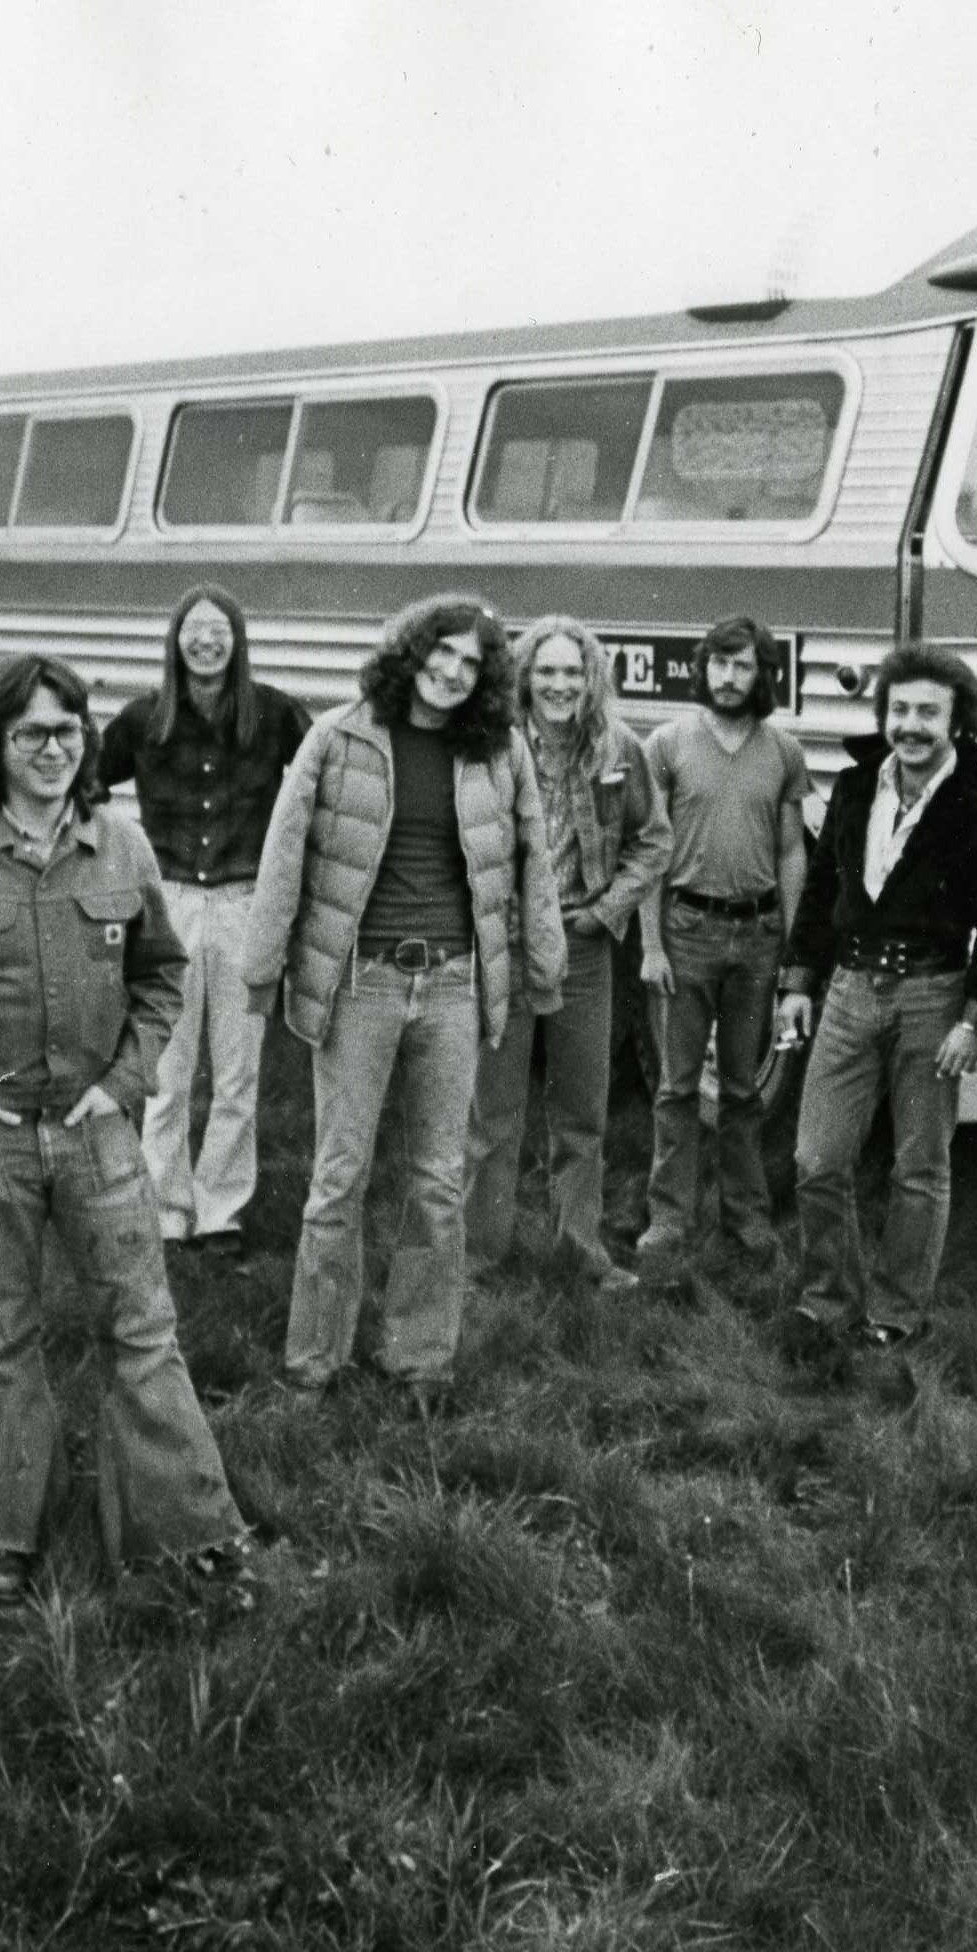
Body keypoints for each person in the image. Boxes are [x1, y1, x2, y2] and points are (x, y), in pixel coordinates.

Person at [0, 653, 246, 1606]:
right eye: (33, 732)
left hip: (97, 1134)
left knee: (142, 1329)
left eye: (70, 730)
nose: (55, 748)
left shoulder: (122, 848)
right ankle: (10, 1530)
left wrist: (128, 1079)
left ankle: (187, 1532)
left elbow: (160, 974)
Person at [243, 595, 564, 1403]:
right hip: (363, 983)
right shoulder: (338, 736)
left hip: (453, 985)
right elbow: (284, 855)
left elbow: (532, 861)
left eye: (472, 664)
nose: (453, 674)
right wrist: (260, 966)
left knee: (437, 1178)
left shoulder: (500, 751)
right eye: (441, 655)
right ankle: (313, 1361)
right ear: (410, 653)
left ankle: (418, 1356)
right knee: (338, 1175)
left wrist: (544, 961)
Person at [774, 641, 977, 1354]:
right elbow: (820, 890)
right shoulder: (853, 786)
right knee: (816, 1157)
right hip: (847, 989)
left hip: (931, 994)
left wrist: (974, 1017)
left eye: (927, 712)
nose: (910, 725)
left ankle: (895, 1312)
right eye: (900, 709)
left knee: (920, 1165)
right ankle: (826, 1297)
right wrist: (796, 983)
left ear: (956, 721)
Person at [95, 586, 310, 1260]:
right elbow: (84, 785)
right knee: (166, 1066)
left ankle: (220, 1210)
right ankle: (165, 1204)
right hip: (169, 906)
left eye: (220, 630)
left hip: (246, 904)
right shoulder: (142, 719)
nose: (207, 641)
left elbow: (318, 786)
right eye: (194, 629)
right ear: (175, 640)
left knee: (238, 1072)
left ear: (238, 640)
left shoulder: (274, 715)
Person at [461, 617, 672, 1288]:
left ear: (591, 680)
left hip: (581, 954)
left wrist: (607, 910)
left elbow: (654, 839)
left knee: (581, 1113)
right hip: (506, 949)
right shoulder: (492, 747)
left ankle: (580, 1252)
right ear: (525, 677)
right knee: (492, 1115)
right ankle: (477, 1254)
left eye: (572, 673)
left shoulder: (617, 748)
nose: (559, 685)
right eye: (546, 672)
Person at [634, 615, 812, 1278]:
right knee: (677, 1086)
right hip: (685, 932)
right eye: (719, 664)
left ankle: (747, 1213)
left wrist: (793, 951)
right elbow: (649, 851)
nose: (729, 679)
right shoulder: (667, 743)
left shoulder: (783, 752)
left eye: (743, 667)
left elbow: (791, 850)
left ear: (763, 674)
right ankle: (668, 1216)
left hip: (757, 937)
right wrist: (650, 944)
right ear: (702, 667)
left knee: (743, 1089)